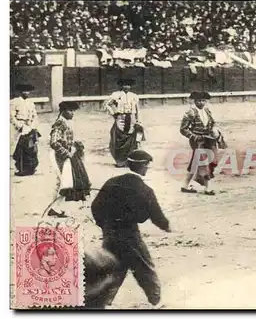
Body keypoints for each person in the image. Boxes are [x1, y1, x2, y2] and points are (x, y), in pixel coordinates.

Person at [90, 150, 171, 308]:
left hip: (110, 234)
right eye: (147, 165)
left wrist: (105, 226)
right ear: (144, 167)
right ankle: (156, 301)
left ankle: (103, 303)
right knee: (144, 267)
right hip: (130, 235)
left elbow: (96, 206)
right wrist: (168, 227)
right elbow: (157, 217)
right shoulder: (144, 189)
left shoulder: (111, 182)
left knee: (113, 268)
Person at [47, 101, 91, 218]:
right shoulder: (60, 123)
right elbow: (54, 142)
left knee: (65, 183)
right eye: (70, 111)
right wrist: (67, 153)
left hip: (67, 155)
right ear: (63, 111)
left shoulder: (67, 122)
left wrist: (76, 146)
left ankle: (56, 208)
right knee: (63, 182)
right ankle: (54, 208)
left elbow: (68, 140)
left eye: (73, 111)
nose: (73, 113)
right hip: (60, 156)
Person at [180, 91, 226, 195]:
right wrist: (195, 137)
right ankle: (208, 188)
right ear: (194, 101)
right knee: (205, 163)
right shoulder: (190, 113)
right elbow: (183, 129)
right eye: (199, 101)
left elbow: (213, 123)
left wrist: (214, 130)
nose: (201, 103)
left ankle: (185, 185)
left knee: (196, 163)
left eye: (203, 100)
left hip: (208, 140)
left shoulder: (207, 111)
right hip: (197, 141)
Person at [104, 78, 145, 168]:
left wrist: (139, 121)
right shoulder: (116, 95)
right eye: (125, 85)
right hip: (121, 118)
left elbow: (138, 110)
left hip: (132, 118)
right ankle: (120, 161)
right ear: (121, 86)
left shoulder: (134, 96)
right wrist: (114, 113)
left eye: (129, 85)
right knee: (119, 139)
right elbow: (106, 104)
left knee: (132, 138)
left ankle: (129, 159)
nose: (127, 86)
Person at [11, 84, 40, 176]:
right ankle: (20, 168)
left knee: (30, 148)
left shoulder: (31, 103)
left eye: (28, 91)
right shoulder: (14, 102)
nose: (26, 93)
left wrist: (33, 126)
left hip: (29, 126)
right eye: (24, 91)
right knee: (19, 149)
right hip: (19, 127)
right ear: (20, 92)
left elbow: (35, 116)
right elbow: (11, 116)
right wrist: (19, 126)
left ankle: (30, 168)